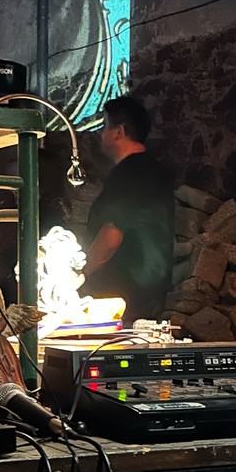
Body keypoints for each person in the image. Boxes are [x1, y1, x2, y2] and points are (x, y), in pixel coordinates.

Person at [84, 95, 174, 323]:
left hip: (120, 295)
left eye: (104, 126)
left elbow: (111, 237)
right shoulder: (154, 170)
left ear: (119, 132)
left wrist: (79, 275)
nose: (100, 134)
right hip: (151, 295)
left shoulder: (128, 174)